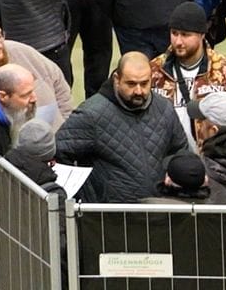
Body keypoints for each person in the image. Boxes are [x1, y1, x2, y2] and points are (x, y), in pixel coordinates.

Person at [52, 51, 193, 203]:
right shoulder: (91, 114)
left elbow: (180, 151)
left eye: (145, 83)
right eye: (131, 84)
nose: (139, 91)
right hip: (110, 217)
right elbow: (59, 152)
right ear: (117, 79)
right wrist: (87, 195)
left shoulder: (165, 108)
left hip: (160, 210)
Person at [148, 1, 226, 140]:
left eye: (185, 35)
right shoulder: (154, 71)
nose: (178, 41)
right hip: (168, 157)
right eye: (174, 33)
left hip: (212, 157)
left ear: (202, 35)